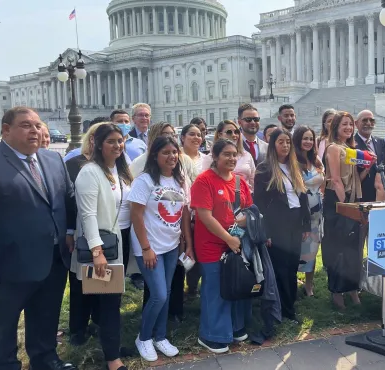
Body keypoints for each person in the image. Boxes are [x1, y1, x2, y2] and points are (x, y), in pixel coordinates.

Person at [0, 107, 77, 370]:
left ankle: (46, 360)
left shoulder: (53, 160)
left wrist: (69, 232)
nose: (34, 130)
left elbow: (67, 200)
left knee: (45, 317)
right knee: (3, 326)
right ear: (6, 130)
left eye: (37, 125)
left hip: (52, 260)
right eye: (26, 125)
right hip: (6, 265)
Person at [73, 123, 132, 370]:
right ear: (97, 143)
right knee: (108, 303)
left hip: (115, 245)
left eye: (120, 140)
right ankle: (112, 360)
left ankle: (112, 346)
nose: (118, 145)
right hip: (100, 250)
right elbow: (88, 216)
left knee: (111, 301)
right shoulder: (89, 172)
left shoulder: (117, 170)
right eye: (111, 141)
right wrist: (97, 253)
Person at [129, 136, 192, 360]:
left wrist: (185, 241)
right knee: (158, 295)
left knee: (166, 293)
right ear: (155, 155)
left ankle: (160, 336)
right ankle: (143, 338)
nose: (172, 156)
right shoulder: (145, 180)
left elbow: (184, 211)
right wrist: (146, 248)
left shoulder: (180, 180)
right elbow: (135, 214)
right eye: (166, 152)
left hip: (171, 246)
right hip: (150, 247)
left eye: (174, 152)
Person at [190, 139, 253, 354]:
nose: (232, 158)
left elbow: (248, 210)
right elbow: (205, 217)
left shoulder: (240, 182)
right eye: (226, 154)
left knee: (235, 284)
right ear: (215, 157)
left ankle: (234, 327)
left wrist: (238, 231)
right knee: (215, 289)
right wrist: (228, 237)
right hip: (211, 245)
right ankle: (211, 335)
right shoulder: (204, 181)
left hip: (235, 243)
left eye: (234, 154)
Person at [254, 128, 310, 321]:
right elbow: (259, 204)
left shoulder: (295, 167)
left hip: (295, 222)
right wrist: (266, 231)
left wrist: (306, 225)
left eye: (288, 142)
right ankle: (283, 310)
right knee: (280, 268)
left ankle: (290, 305)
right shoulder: (265, 169)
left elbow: (303, 198)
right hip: (276, 225)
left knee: (292, 266)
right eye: (281, 142)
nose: (285, 145)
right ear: (273, 145)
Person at [65, 121, 106, 346]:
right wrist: (70, 230)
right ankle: (78, 328)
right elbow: (68, 201)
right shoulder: (74, 164)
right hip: (82, 230)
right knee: (81, 281)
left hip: (106, 231)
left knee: (101, 280)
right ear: (91, 140)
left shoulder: (112, 164)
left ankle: (99, 321)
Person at [322, 112, 367, 309]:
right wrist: (344, 205)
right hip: (338, 202)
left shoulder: (350, 148)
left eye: (350, 124)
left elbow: (357, 178)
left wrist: (367, 166)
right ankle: (337, 291)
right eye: (344, 125)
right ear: (336, 128)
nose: (348, 128)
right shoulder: (333, 148)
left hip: (353, 199)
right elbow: (336, 179)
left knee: (353, 248)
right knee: (338, 248)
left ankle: (352, 289)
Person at [293, 126, 324, 297]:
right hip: (300, 212)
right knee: (299, 247)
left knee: (313, 248)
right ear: (298, 140)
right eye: (305, 138)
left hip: (317, 213)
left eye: (311, 139)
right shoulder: (292, 161)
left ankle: (309, 285)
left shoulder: (317, 160)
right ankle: (293, 280)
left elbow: (323, 182)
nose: (308, 142)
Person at [201, 120, 256, 189]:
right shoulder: (210, 157)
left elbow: (253, 180)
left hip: (245, 195)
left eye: (236, 132)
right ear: (220, 135)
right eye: (229, 132)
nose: (234, 135)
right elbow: (204, 181)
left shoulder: (246, 155)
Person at [354, 110, 385, 201]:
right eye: (365, 120)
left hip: (381, 193)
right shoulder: (351, 145)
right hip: (362, 194)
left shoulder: (380, 142)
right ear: (356, 123)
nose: (368, 123)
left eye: (372, 120)